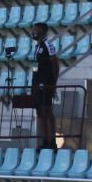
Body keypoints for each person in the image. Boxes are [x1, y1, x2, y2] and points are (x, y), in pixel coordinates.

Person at [31, 23, 59, 151]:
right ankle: (45, 140)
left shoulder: (48, 45)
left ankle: (52, 141)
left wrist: (53, 83)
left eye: (36, 30)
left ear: (42, 31)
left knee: (47, 111)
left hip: (46, 83)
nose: (33, 32)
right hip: (37, 83)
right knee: (40, 112)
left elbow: (55, 64)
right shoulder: (37, 47)